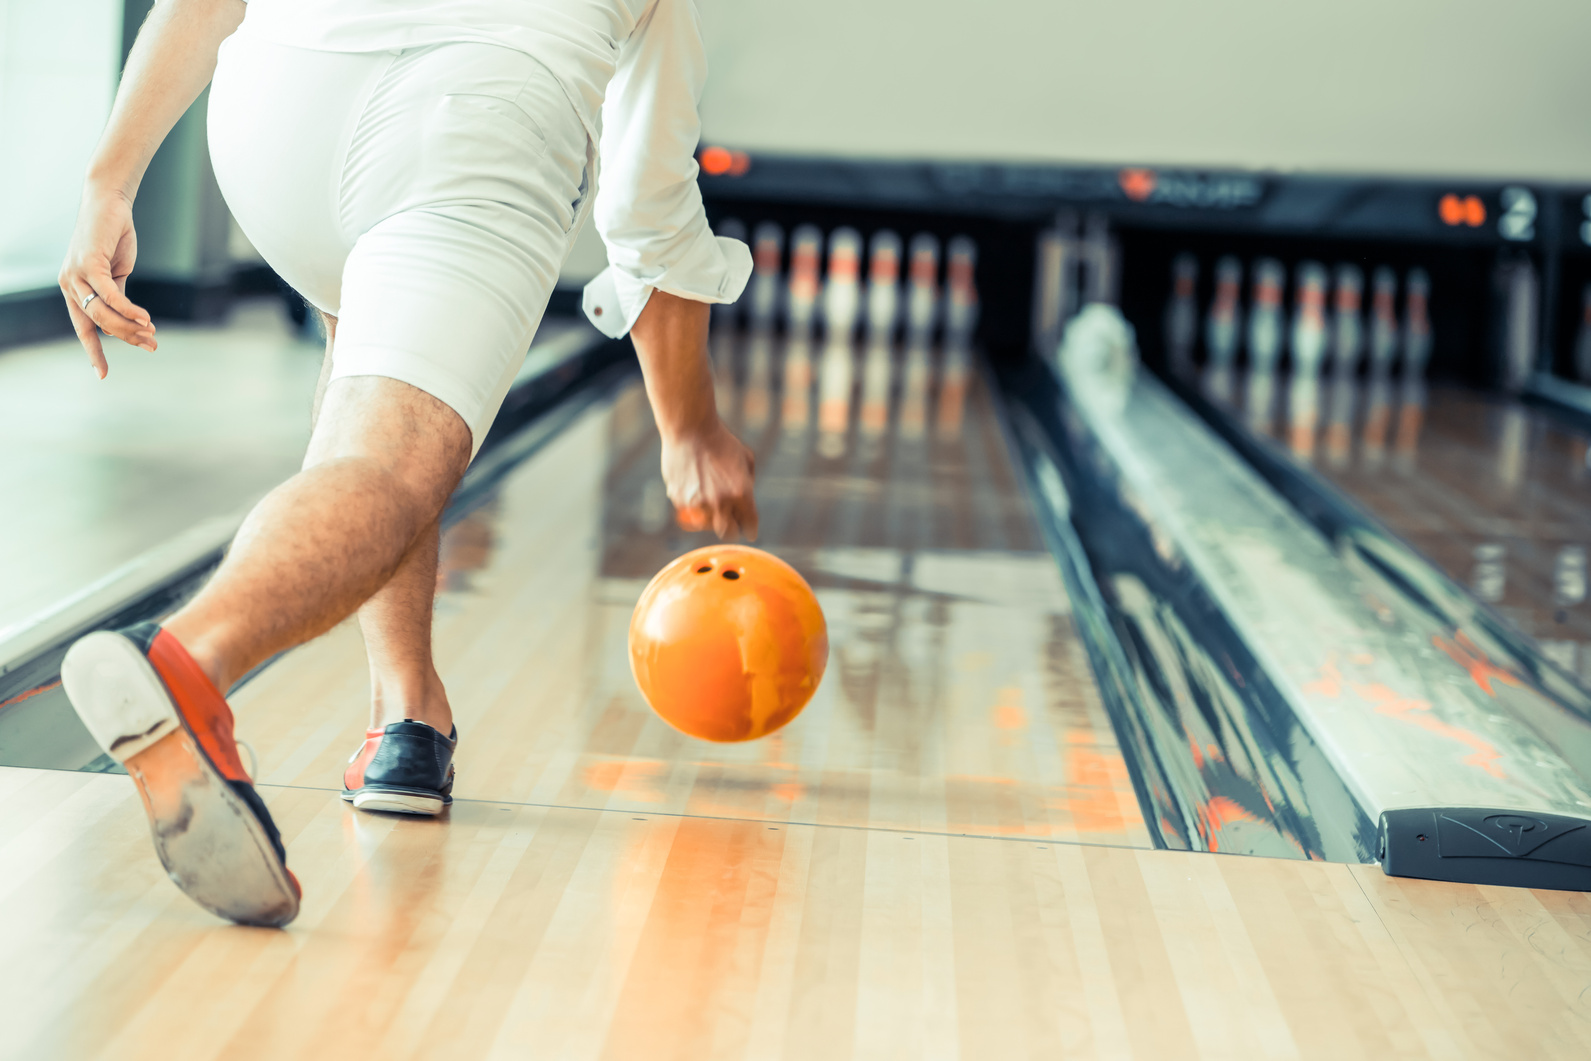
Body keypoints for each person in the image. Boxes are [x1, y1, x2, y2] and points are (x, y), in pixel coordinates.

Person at [55, 0, 757, 928]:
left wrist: (109, 180)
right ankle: (188, 658)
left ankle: (407, 719)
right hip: (473, 118)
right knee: (390, 461)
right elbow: (647, 207)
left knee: (380, 388)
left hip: (275, 110)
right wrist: (690, 425)